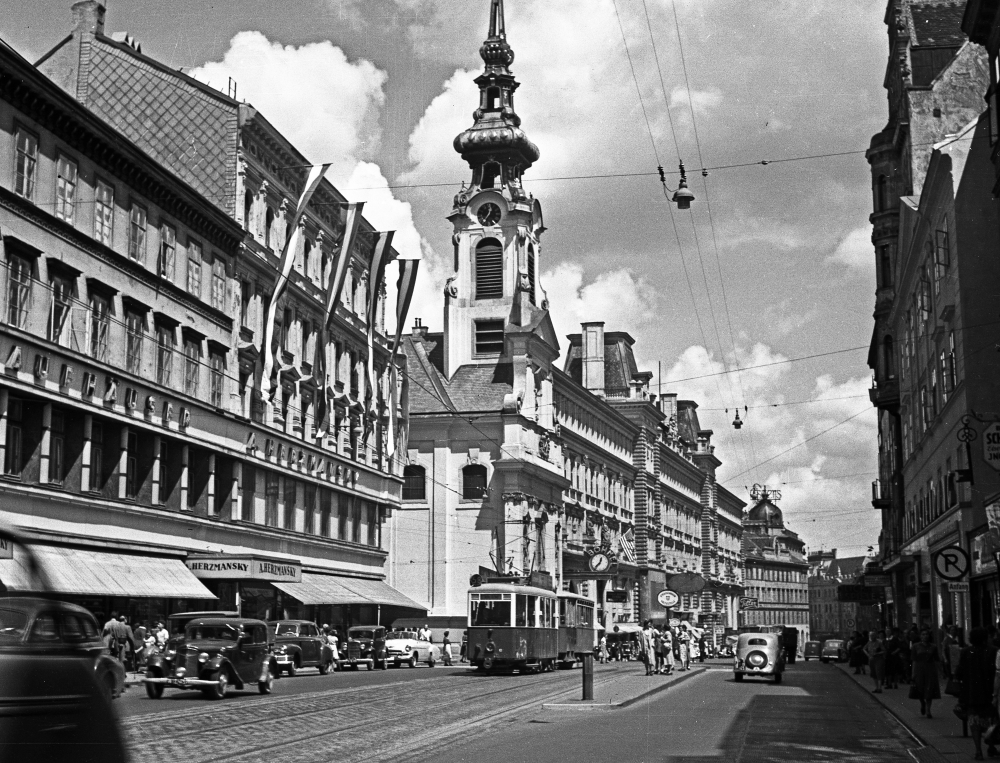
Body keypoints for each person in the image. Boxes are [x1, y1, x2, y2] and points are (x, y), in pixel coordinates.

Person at [956, 627, 998, 760]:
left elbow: (959, 672)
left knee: (974, 721)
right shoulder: (993, 651)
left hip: (971, 693)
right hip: (989, 691)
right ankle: (991, 747)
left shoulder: (965, 652)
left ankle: (978, 750)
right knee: (991, 719)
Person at [910, 628, 941, 718]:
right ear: (920, 636)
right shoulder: (915, 646)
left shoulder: (933, 646)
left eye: (926, 634)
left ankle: (928, 710)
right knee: (920, 689)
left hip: (930, 669)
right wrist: (913, 674)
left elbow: (937, 660)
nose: (925, 636)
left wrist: (940, 672)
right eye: (923, 634)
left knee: (929, 689)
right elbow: (914, 660)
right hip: (919, 669)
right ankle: (922, 703)